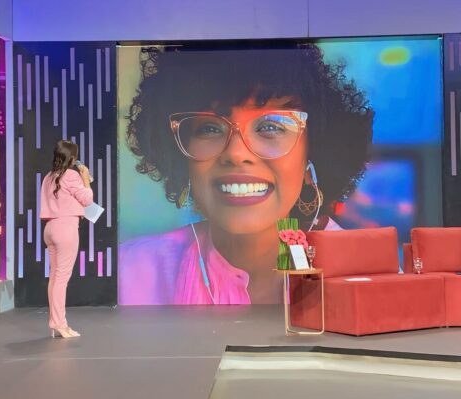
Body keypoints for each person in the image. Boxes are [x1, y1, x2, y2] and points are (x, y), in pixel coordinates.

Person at [119, 43, 373, 305]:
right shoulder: (129, 274)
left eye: (271, 126)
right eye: (209, 128)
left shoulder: (367, 276)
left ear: (314, 155)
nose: (236, 153)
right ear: (180, 157)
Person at [40, 140, 93, 337]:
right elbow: (87, 199)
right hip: (66, 228)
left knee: (55, 277)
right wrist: (86, 179)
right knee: (61, 278)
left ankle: (56, 323)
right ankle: (60, 324)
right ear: (72, 158)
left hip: (50, 229)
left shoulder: (48, 177)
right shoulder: (71, 175)